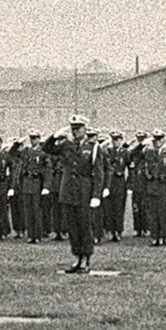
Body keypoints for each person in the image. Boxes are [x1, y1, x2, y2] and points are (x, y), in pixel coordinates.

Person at [42, 116, 104, 273]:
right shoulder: (66, 145)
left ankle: (86, 259)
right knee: (73, 228)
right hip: (68, 191)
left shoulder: (93, 147)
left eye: (78, 128)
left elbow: (98, 173)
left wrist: (96, 195)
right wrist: (55, 135)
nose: (75, 131)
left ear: (85, 129)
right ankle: (77, 258)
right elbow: (46, 148)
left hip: (84, 192)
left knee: (84, 226)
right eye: (73, 128)